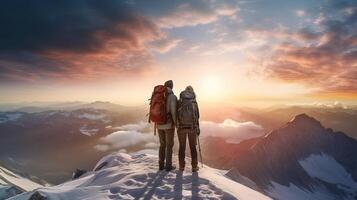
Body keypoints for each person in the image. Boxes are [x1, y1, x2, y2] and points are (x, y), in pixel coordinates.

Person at [177, 86, 200, 172]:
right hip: (192, 127)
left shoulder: (180, 101)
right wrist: (198, 129)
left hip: (181, 128)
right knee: (193, 147)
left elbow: (176, 115)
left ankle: (181, 166)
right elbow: (197, 116)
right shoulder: (194, 102)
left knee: (182, 147)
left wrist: (178, 125)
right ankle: (194, 167)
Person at [156, 80, 177, 171]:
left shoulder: (157, 95)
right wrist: (176, 123)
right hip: (168, 125)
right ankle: (168, 166)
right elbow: (173, 112)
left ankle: (161, 165)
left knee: (162, 145)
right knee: (169, 145)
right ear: (171, 87)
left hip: (158, 124)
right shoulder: (172, 96)